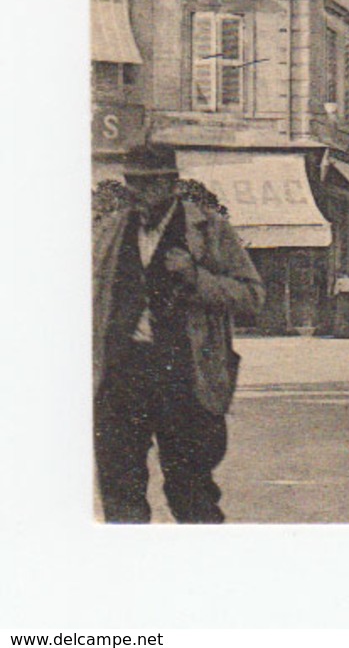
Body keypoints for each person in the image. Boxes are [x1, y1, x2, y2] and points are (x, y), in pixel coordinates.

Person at [92, 143, 264, 522]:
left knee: (191, 492)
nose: (139, 192)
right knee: (119, 488)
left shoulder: (209, 230)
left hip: (184, 376)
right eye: (133, 182)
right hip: (122, 373)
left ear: (171, 184)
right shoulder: (108, 232)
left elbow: (252, 296)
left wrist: (194, 276)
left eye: (150, 183)